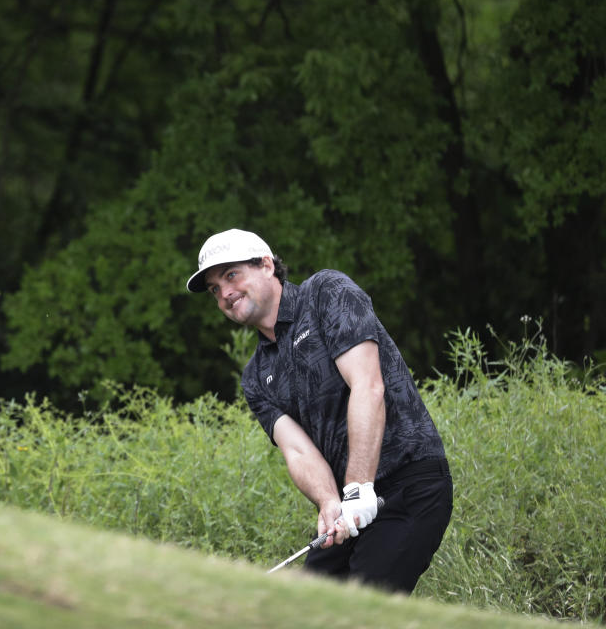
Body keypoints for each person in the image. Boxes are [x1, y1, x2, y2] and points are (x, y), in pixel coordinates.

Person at [186, 228, 452, 594]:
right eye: (215, 289)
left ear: (266, 265)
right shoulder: (255, 378)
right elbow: (298, 450)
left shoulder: (326, 292)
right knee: (305, 607)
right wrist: (329, 501)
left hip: (410, 483)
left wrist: (359, 486)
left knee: (360, 613)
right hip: (350, 504)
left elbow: (368, 386)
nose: (225, 294)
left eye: (231, 275)